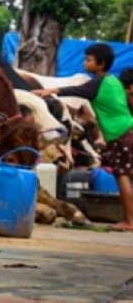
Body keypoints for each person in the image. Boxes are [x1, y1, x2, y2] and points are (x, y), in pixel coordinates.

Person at [33, 43, 133, 231]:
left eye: (88, 60)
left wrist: (50, 91)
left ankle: (130, 221)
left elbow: (78, 91)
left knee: (123, 177)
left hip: (120, 135)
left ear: (100, 64)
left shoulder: (97, 82)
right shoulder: (114, 81)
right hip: (129, 129)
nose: (84, 63)